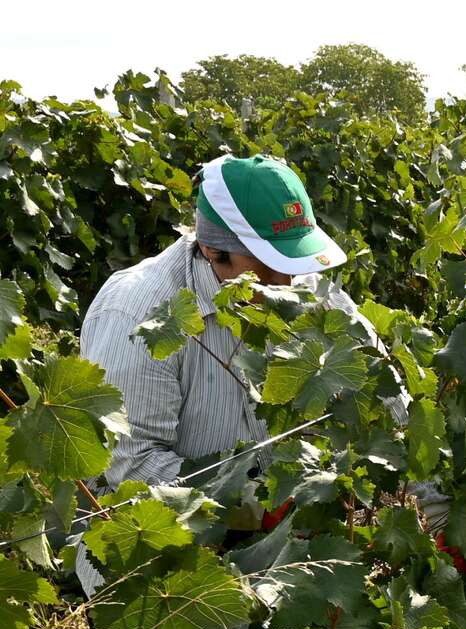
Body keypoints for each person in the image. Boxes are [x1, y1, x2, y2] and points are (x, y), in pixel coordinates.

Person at [74, 154, 446, 589]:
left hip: (291, 531)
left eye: (292, 260)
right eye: (266, 262)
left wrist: (435, 519)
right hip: (160, 544)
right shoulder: (140, 314)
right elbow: (130, 465)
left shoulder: (309, 291)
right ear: (213, 250)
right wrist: (261, 504)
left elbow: (391, 412)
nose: (285, 281)